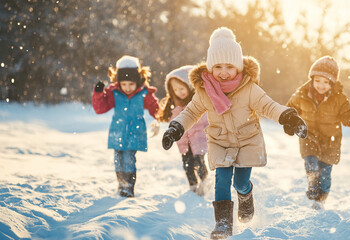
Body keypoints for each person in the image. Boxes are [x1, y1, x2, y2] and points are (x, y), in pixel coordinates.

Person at [161, 27, 307, 239]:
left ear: (238, 66)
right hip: (219, 141)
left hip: (247, 141)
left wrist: (288, 117)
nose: (223, 71)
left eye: (229, 66)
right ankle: (223, 224)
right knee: (221, 180)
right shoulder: (204, 90)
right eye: (218, 66)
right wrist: (176, 127)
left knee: (239, 183)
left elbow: (269, 106)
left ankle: (246, 196)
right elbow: (191, 112)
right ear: (210, 67)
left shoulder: (248, 88)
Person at [286, 56, 350, 209]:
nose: (321, 85)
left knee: (325, 175)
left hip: (330, 142)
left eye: (326, 82)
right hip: (309, 137)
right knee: (311, 164)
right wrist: (290, 122)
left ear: (332, 83)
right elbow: (290, 109)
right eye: (318, 80)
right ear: (312, 79)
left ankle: (321, 199)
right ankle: (312, 183)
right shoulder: (301, 94)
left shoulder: (339, 99)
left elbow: (347, 117)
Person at [92, 55, 160, 197]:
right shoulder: (114, 93)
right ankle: (121, 184)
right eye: (124, 84)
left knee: (129, 160)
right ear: (119, 83)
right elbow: (100, 109)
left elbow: (156, 109)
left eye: (131, 84)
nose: (127, 88)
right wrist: (98, 94)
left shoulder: (144, 94)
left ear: (137, 82)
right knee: (118, 161)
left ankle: (128, 187)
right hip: (117, 132)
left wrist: (163, 115)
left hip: (135, 133)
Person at [158, 65, 209, 195]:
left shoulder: (197, 102)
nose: (179, 92)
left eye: (182, 88)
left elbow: (205, 119)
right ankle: (192, 185)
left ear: (189, 85)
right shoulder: (173, 105)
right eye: (175, 89)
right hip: (183, 141)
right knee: (187, 164)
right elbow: (165, 118)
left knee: (199, 161)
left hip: (198, 138)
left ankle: (204, 181)